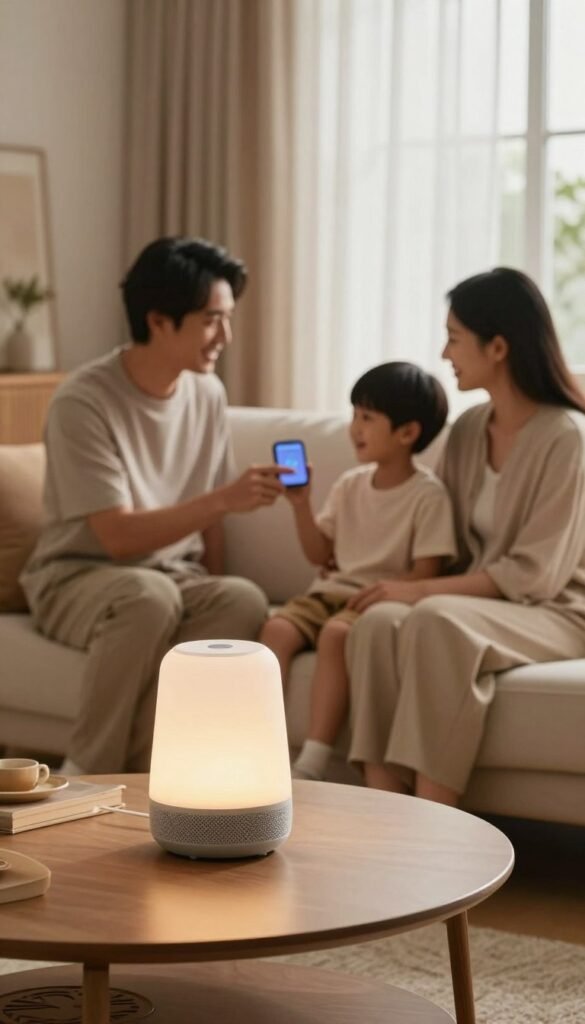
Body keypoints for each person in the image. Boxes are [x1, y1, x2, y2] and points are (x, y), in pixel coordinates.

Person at [21, 236, 288, 775]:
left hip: (169, 577)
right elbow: (116, 536)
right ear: (160, 320)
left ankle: (148, 777)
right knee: (147, 595)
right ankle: (85, 774)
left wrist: (214, 574)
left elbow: (212, 522)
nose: (225, 337)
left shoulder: (206, 393)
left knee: (241, 599)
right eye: (212, 320)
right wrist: (225, 499)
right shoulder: (84, 400)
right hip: (78, 575)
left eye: (228, 319)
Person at [344, 267, 585, 805]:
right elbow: (444, 538)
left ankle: (435, 823)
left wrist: (419, 592)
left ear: (497, 347)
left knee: (434, 618)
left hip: (560, 609)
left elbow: (536, 575)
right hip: (484, 603)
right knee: (377, 624)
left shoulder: (567, 438)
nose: (445, 352)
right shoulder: (470, 428)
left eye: (455, 338)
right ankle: (383, 811)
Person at [260, 361, 456, 781]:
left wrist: (387, 590)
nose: (355, 428)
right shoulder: (350, 483)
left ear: (407, 433)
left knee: (336, 635)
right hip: (328, 592)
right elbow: (319, 553)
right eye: (353, 415)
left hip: (374, 601)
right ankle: (261, 742)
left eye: (367, 418)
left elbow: (426, 572)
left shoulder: (428, 495)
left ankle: (313, 757)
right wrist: (300, 506)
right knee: (276, 630)